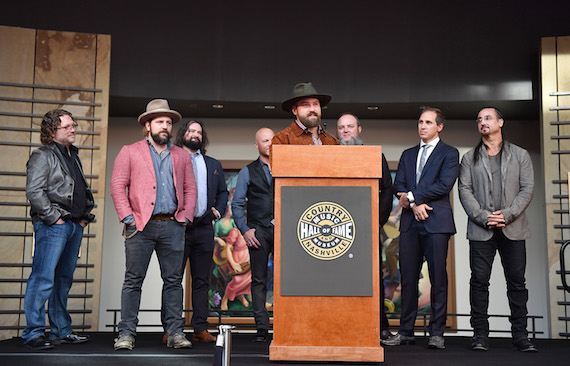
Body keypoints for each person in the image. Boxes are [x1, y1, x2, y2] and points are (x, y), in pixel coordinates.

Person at [110, 99, 197, 350]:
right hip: (139, 225)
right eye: (160, 122)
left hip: (172, 224)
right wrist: (128, 218)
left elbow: (190, 188)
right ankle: (126, 334)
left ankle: (175, 334)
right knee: (133, 281)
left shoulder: (181, 155)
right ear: (147, 125)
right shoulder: (130, 150)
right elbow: (117, 186)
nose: (165, 126)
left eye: (168, 123)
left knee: (173, 281)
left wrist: (186, 216)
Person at [458, 107, 536, 352]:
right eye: (479, 119)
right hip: (482, 230)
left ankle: (521, 336)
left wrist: (507, 215)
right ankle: (480, 335)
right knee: (479, 282)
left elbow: (527, 189)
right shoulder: (469, 158)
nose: (483, 122)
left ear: (501, 122)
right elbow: (464, 191)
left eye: (488, 118)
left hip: (514, 228)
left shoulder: (521, 155)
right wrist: (484, 217)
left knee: (517, 283)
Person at [383, 107, 459, 350]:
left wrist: (414, 198)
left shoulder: (450, 153)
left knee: (438, 279)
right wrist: (414, 203)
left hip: (436, 223)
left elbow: (444, 185)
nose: (422, 126)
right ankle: (405, 331)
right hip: (410, 224)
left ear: (439, 126)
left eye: (428, 122)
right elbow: (398, 186)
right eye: (420, 122)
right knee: (407, 278)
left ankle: (436, 333)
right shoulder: (407, 154)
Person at [22, 109, 95, 350]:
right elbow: (34, 192)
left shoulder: (72, 155)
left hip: (74, 225)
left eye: (73, 125)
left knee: (63, 280)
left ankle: (61, 330)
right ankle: (33, 332)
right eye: (67, 126)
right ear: (52, 131)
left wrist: (82, 219)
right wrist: (54, 219)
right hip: (54, 225)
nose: (73, 129)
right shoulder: (42, 155)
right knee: (42, 278)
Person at [336, 113, 394, 340]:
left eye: (350, 126)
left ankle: (380, 326)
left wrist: (377, 221)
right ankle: (343, 326)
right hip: (339, 230)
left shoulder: (374, 156)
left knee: (372, 278)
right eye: (341, 128)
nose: (346, 131)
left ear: (359, 129)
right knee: (338, 278)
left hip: (368, 229)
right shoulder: (327, 156)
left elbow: (387, 190)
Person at [172, 120, 229, 343]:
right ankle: (172, 328)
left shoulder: (212, 164)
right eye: (191, 131)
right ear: (183, 134)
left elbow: (223, 192)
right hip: (177, 227)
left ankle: (200, 328)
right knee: (173, 280)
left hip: (204, 228)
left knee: (202, 280)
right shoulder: (172, 159)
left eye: (199, 132)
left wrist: (217, 211)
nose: (195, 134)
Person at [231, 128, 276, 342]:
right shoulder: (247, 171)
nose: (270, 143)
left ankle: (288, 324)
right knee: (258, 280)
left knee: (288, 279)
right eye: (265, 140)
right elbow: (237, 204)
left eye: (273, 140)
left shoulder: (287, 167)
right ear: (257, 145)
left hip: (285, 231)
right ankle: (261, 328)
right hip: (258, 232)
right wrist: (245, 230)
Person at [272, 82, 338, 145]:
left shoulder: (332, 141)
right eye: (306, 105)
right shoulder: (282, 139)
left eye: (315, 104)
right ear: (295, 110)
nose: (312, 109)